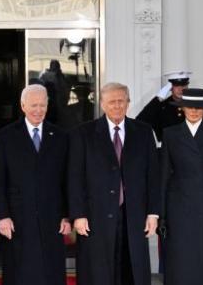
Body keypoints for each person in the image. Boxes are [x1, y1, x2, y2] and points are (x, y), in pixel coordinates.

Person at [68, 82, 160, 285]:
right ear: (102, 104)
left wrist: (153, 213)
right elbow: (74, 177)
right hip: (95, 216)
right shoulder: (83, 134)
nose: (117, 106)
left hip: (133, 215)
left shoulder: (143, 132)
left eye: (121, 101)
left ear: (128, 103)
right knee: (99, 273)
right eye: (112, 102)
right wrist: (78, 215)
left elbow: (153, 175)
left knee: (132, 271)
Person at [0, 84, 71, 285]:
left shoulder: (60, 136)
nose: (38, 110)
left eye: (42, 105)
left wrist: (66, 215)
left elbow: (66, 180)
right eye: (33, 105)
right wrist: (2, 216)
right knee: (20, 271)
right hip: (18, 217)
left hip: (51, 218)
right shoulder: (5, 136)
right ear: (22, 105)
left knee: (50, 271)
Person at [158, 88, 203, 285]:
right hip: (178, 207)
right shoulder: (170, 134)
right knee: (179, 260)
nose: (194, 111)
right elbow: (164, 177)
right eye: (190, 107)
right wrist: (162, 216)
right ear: (182, 108)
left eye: (199, 108)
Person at [136, 71, 203, 146]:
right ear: (170, 88)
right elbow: (140, 121)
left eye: (183, 85)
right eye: (177, 86)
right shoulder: (161, 107)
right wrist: (158, 98)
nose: (181, 89)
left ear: (187, 86)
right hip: (168, 151)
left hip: (194, 149)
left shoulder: (198, 106)